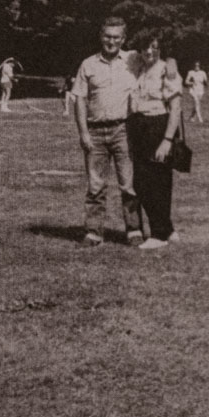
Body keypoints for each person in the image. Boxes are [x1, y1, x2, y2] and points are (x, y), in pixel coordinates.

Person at [71, 17, 142, 247]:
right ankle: (93, 232)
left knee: (129, 184)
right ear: (101, 37)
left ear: (124, 39)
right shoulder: (88, 64)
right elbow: (79, 99)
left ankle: (133, 230)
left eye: (116, 37)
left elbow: (157, 66)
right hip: (95, 132)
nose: (111, 41)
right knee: (95, 185)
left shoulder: (134, 60)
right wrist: (83, 132)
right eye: (107, 36)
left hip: (124, 130)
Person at [127, 38, 182, 250]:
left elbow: (176, 108)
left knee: (156, 181)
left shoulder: (166, 71)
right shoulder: (139, 66)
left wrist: (167, 140)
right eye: (146, 47)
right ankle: (167, 229)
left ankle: (158, 235)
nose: (149, 51)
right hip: (140, 126)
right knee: (143, 181)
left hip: (158, 126)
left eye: (155, 47)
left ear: (161, 50)